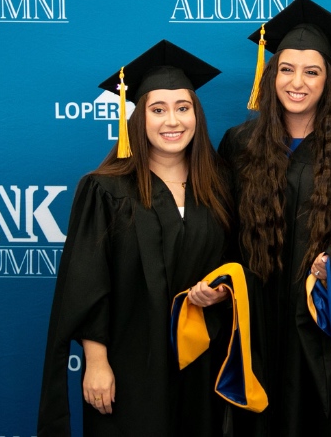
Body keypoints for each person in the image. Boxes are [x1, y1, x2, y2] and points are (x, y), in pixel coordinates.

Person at [37, 40, 233, 437]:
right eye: (157, 110)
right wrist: (96, 362)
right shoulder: (106, 190)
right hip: (128, 367)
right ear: (138, 118)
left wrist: (224, 291)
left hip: (202, 364)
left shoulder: (219, 187)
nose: (172, 121)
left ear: (197, 115)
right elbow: (88, 284)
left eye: (183, 108)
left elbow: (237, 265)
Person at [217, 0, 331, 436]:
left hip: (319, 322)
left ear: (329, 81)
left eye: (312, 71)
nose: (296, 82)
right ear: (271, 75)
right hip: (254, 321)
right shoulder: (239, 144)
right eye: (286, 69)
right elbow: (221, 232)